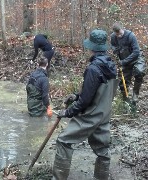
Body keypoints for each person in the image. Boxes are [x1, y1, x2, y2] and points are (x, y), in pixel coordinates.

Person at [52, 29, 118, 180]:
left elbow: (85, 101)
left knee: (63, 140)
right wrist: (76, 95)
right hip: (104, 114)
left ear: (91, 47)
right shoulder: (111, 65)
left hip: (91, 115)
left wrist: (67, 112)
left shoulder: (93, 68)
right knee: (102, 150)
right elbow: (96, 91)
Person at [111, 22, 146, 102]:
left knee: (139, 72)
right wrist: (115, 50)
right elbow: (113, 45)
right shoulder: (113, 37)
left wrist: (124, 61)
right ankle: (125, 100)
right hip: (124, 58)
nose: (119, 36)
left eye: (120, 34)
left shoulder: (131, 36)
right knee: (123, 81)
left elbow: (136, 52)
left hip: (136, 58)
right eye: (117, 34)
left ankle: (135, 94)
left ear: (123, 29)